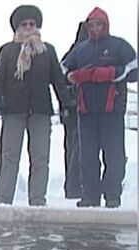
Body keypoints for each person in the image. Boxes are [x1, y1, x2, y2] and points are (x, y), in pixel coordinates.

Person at [0, 5, 73, 206]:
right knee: (9, 156)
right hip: (13, 110)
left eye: (32, 24)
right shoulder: (7, 51)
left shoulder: (47, 51)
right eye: (24, 24)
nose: (28, 27)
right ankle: (3, 198)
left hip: (40, 111)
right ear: (16, 28)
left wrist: (66, 104)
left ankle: (37, 200)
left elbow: (57, 80)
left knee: (40, 157)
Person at [62, 7, 137, 208]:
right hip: (86, 112)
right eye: (91, 25)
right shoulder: (80, 49)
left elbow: (134, 67)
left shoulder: (119, 46)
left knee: (114, 156)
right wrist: (75, 77)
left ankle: (112, 196)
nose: (95, 28)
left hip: (112, 111)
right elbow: (63, 69)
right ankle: (90, 196)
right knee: (87, 156)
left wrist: (112, 73)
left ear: (106, 25)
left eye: (98, 24)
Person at [59, 22, 88, 200]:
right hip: (77, 108)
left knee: (72, 148)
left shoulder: (71, 54)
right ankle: (75, 188)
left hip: (71, 109)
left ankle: (73, 188)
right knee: (78, 148)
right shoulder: (78, 54)